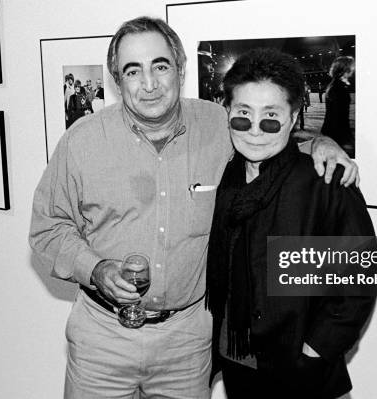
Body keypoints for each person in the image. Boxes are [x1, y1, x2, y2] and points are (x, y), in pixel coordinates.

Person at [29, 16, 358, 399]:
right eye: (133, 71)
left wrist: (323, 143)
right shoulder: (81, 142)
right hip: (103, 338)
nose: (149, 84)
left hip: (187, 343)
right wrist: (95, 268)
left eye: (160, 66)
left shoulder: (217, 124)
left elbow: (266, 135)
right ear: (118, 81)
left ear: (181, 69)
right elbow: (47, 229)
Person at [206, 48, 376, 398]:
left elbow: (362, 269)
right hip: (239, 365)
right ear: (228, 112)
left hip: (305, 375)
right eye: (243, 115)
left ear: (293, 115)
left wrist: (315, 348)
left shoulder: (324, 180)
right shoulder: (226, 175)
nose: (255, 130)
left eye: (271, 116)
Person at [321, 56, 355, 157]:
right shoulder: (338, 88)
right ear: (345, 69)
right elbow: (338, 117)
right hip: (337, 136)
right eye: (352, 66)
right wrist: (346, 138)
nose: (353, 69)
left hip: (334, 134)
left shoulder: (337, 85)